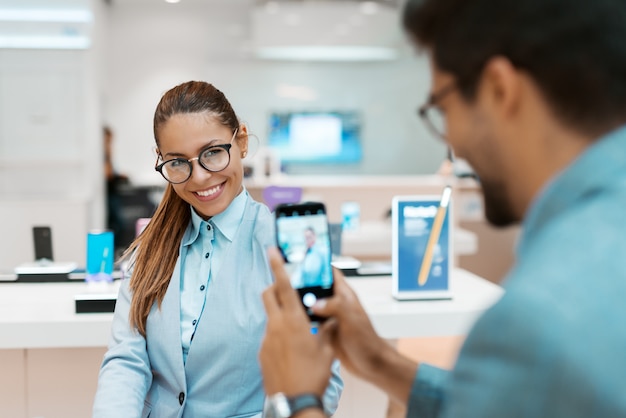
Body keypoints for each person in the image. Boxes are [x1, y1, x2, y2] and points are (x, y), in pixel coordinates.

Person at [258, 0, 626, 417]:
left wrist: (296, 399)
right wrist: (380, 361)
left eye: (443, 108)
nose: (449, 139)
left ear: (499, 90)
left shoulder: (535, 324)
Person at [93, 81, 343, 417]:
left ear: (240, 141)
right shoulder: (150, 250)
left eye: (212, 153)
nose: (198, 178)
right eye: (179, 162)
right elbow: (126, 362)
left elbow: (322, 382)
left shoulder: (288, 248)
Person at [103, 125, 130, 252]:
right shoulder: (103, 156)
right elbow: (107, 174)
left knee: (118, 224)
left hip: (113, 194)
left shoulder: (108, 157)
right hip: (108, 196)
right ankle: (113, 252)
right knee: (117, 224)